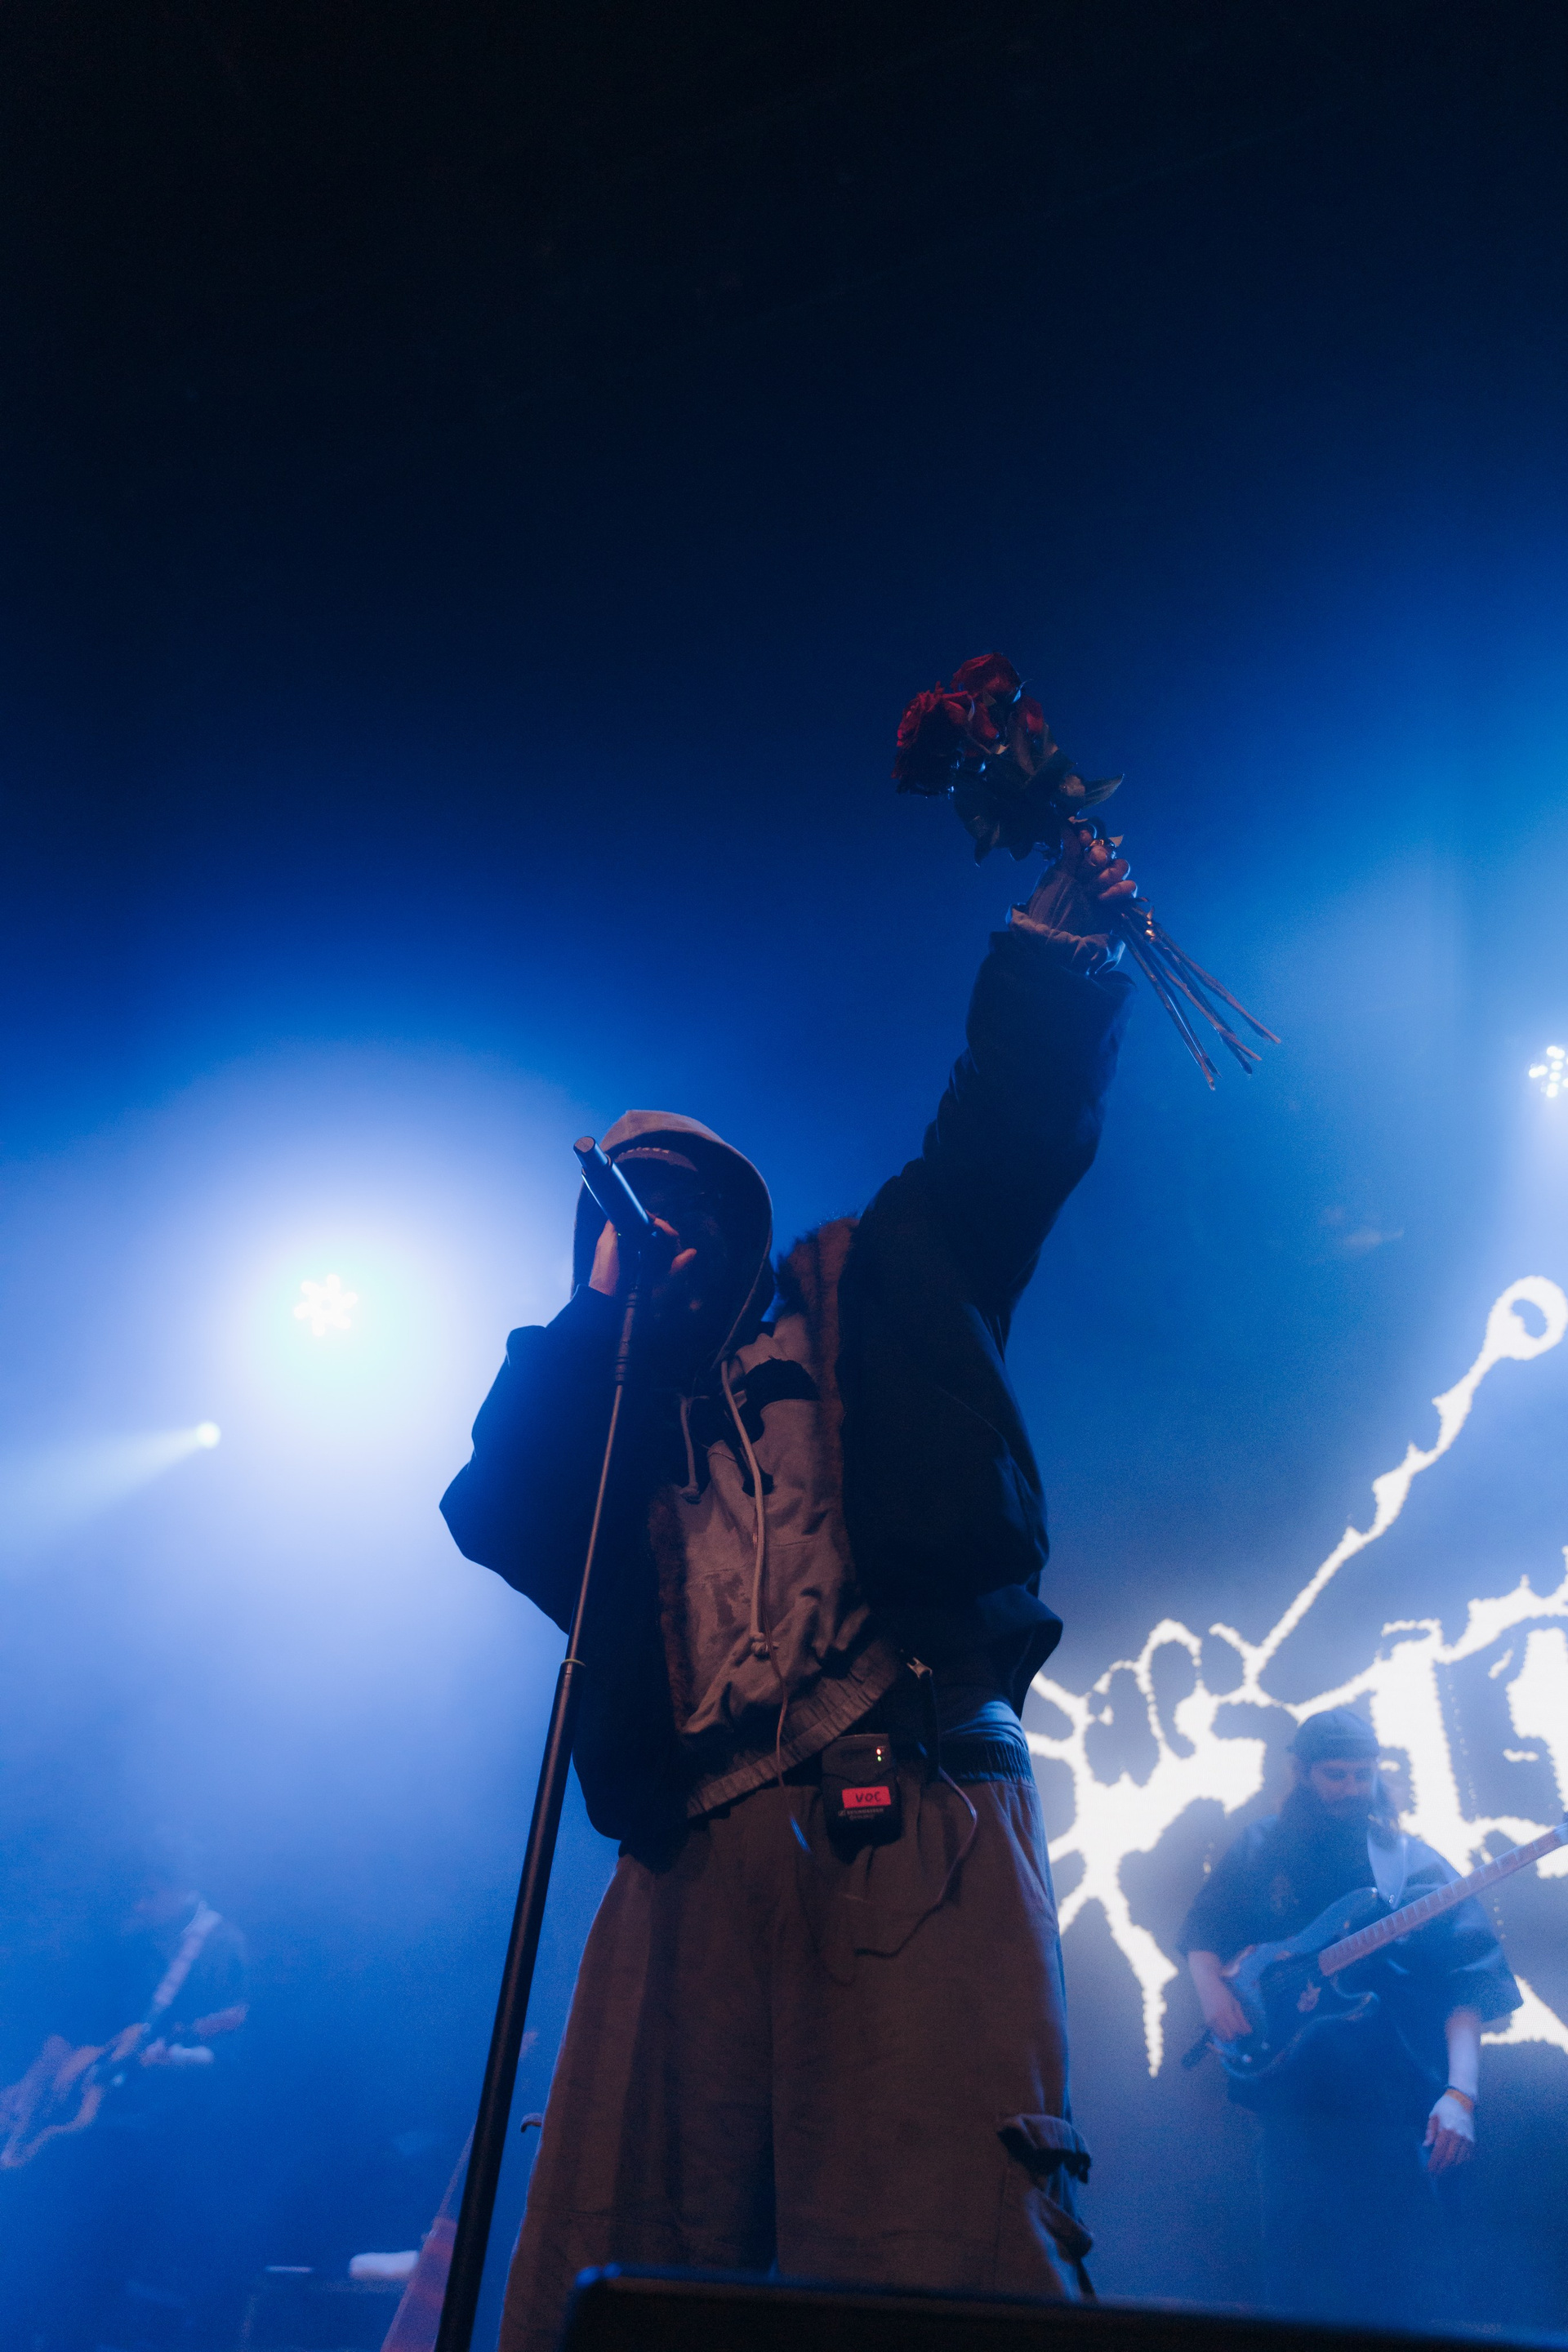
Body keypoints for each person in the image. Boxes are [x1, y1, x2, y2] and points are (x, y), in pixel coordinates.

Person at [441, 820, 1138, 2349]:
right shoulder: (611, 1426)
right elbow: (492, 1509)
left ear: (743, 1228)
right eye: (625, 1210)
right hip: (685, 1848)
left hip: (901, 1796)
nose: (657, 1228)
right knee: (619, 2249)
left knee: (934, 2240)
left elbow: (1003, 1138)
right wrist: (597, 1318)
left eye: (684, 1204)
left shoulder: (873, 1282)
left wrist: (1050, 962)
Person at [1178, 1706, 1521, 2328]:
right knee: (1297, 2292)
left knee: (1413, 2291)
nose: (1351, 1789)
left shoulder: (1414, 1866)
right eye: (1335, 1775)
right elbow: (1204, 1928)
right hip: (1291, 2104)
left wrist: (1461, 2096)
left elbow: (1468, 1985)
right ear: (1301, 1772)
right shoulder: (1260, 1847)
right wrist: (1212, 1991)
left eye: (1363, 1775)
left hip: (1398, 2108)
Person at [0, 1833, 250, 2350]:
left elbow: (231, 2056)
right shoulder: (127, 1943)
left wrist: (165, 2057)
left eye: (149, 1893)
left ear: (185, 1887)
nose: (138, 1905)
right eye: (134, 1894)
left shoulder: (222, 1947)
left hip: (164, 2138)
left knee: (110, 2272)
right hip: (94, 2127)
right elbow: (71, 2027)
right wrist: (31, 2087)